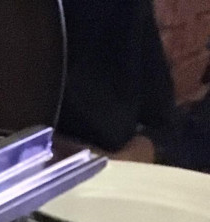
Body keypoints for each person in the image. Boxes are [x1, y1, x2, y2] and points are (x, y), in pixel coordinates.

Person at [60, 0, 210, 169]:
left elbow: (163, 126)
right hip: (64, 168)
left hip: (110, 168)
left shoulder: (122, 7)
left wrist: (125, 159)